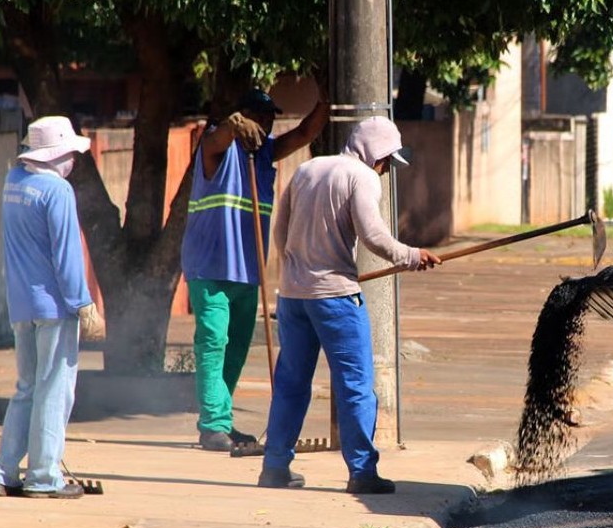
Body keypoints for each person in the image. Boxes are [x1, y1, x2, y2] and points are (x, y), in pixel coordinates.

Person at [258, 116, 441, 494]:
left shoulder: (308, 169)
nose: (387, 167)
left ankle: (274, 467)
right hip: (336, 298)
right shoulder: (362, 177)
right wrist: (410, 255)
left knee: (291, 384)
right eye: (388, 159)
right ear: (375, 152)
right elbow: (373, 235)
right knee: (356, 385)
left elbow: (280, 228)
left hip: (293, 296)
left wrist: (294, 265)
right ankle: (362, 472)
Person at [182, 87, 329, 452]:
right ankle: (212, 425)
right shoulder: (218, 148)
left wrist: (326, 101)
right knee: (213, 344)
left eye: (270, 118)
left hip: (249, 272)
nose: (265, 123)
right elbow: (218, 137)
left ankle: (222, 422)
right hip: (210, 268)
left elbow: (304, 134)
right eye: (258, 116)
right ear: (243, 114)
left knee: (236, 350)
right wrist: (233, 125)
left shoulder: (264, 155)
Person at [0, 116, 106, 499]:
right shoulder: (58, 191)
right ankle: (43, 478)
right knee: (54, 390)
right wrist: (84, 305)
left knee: (27, 388)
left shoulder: (13, 182)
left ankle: (3, 473)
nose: (73, 158)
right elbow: (67, 257)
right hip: (55, 306)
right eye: (69, 151)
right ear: (57, 153)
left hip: (21, 303)